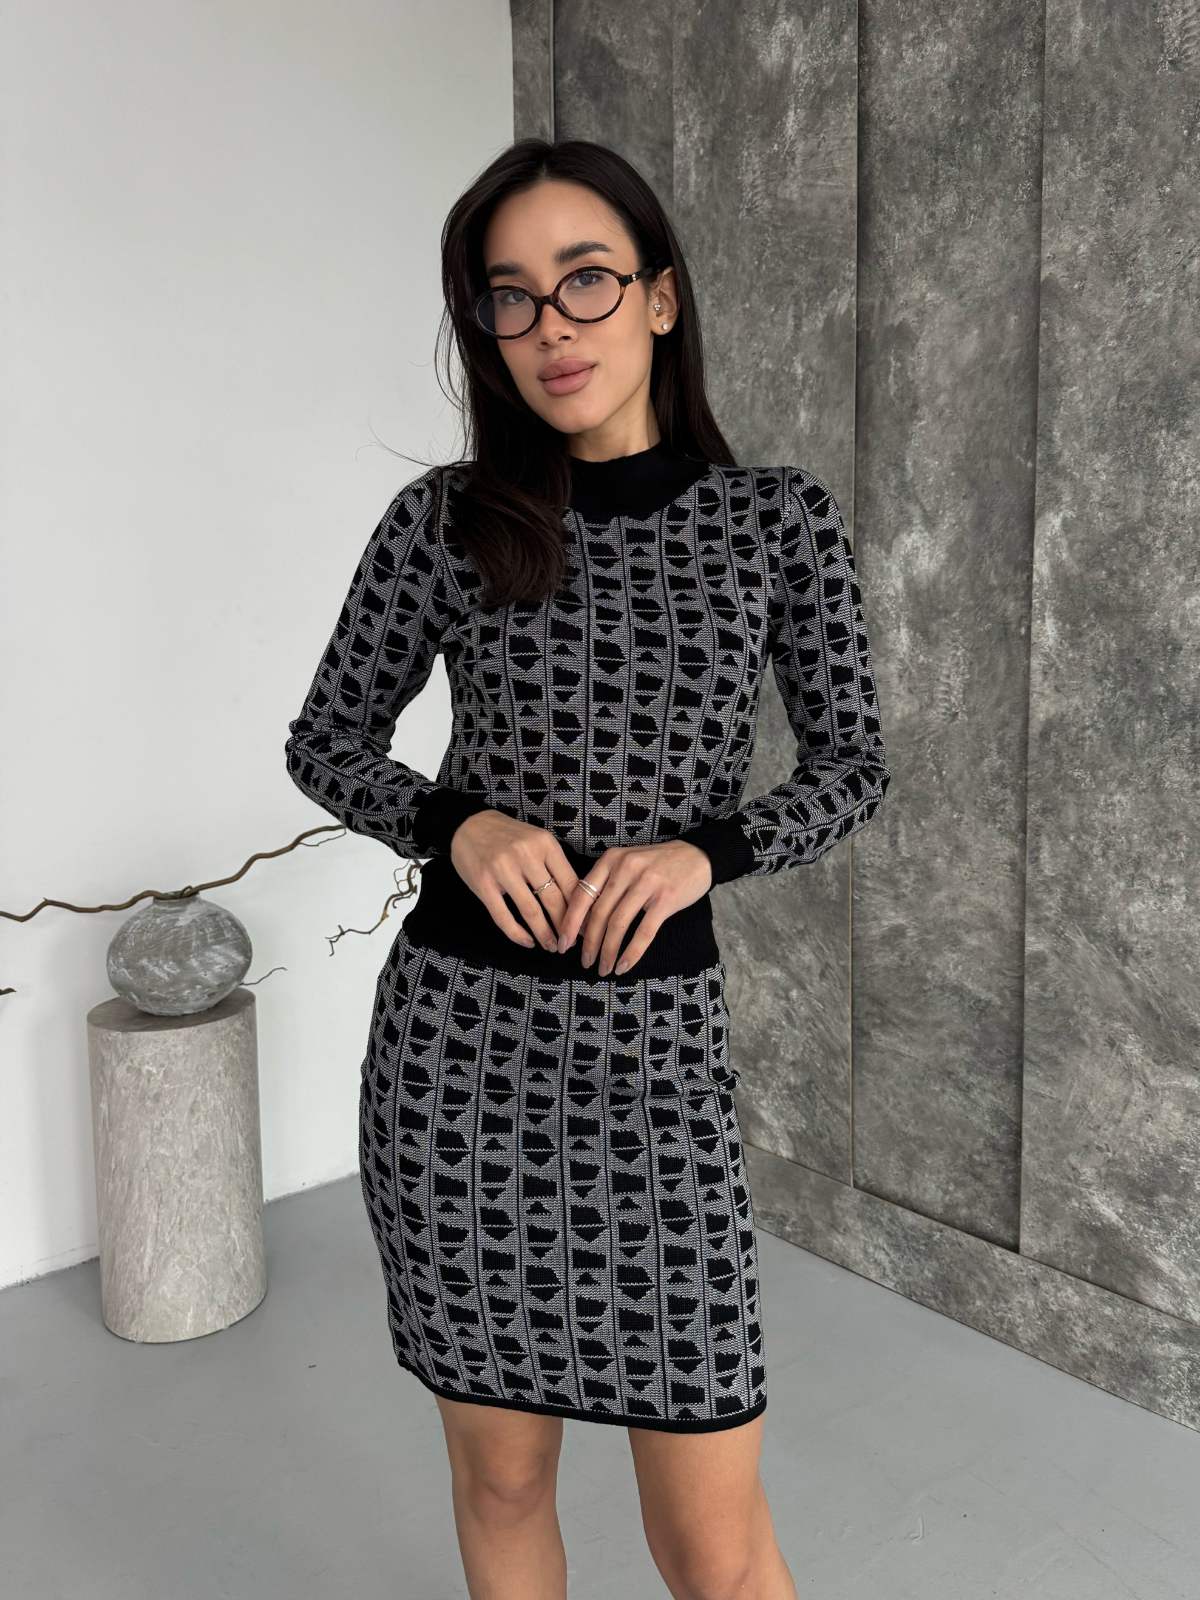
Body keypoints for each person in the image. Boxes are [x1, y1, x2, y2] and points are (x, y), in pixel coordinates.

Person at [284, 137, 891, 1600]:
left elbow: (853, 766)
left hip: (654, 1061)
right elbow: (327, 740)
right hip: (458, 1062)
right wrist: (453, 823)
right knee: (502, 1483)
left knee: (715, 1547)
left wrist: (703, 853)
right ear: (486, 331)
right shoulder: (448, 520)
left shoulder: (775, 522)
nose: (552, 325)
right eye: (511, 297)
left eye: (587, 280)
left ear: (660, 298)